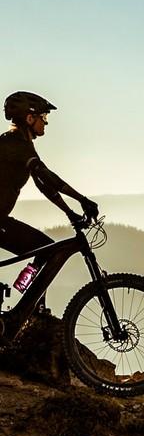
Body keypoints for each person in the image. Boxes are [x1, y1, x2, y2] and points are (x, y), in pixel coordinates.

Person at [0, 92, 99, 307]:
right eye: (43, 117)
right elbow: (46, 175)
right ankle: (32, 310)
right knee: (47, 249)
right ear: (29, 118)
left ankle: (31, 305)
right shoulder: (15, 145)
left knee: (46, 249)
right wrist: (82, 199)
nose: (45, 123)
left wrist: (69, 212)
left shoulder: (20, 143)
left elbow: (42, 185)